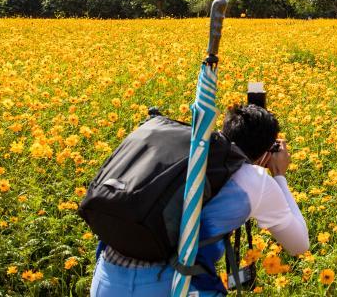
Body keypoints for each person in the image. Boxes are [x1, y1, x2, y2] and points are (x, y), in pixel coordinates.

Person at [90, 105, 309, 297]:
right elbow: (299, 245)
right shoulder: (257, 181)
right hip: (172, 285)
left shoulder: (189, 152)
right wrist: (279, 175)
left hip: (106, 278)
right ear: (265, 154)